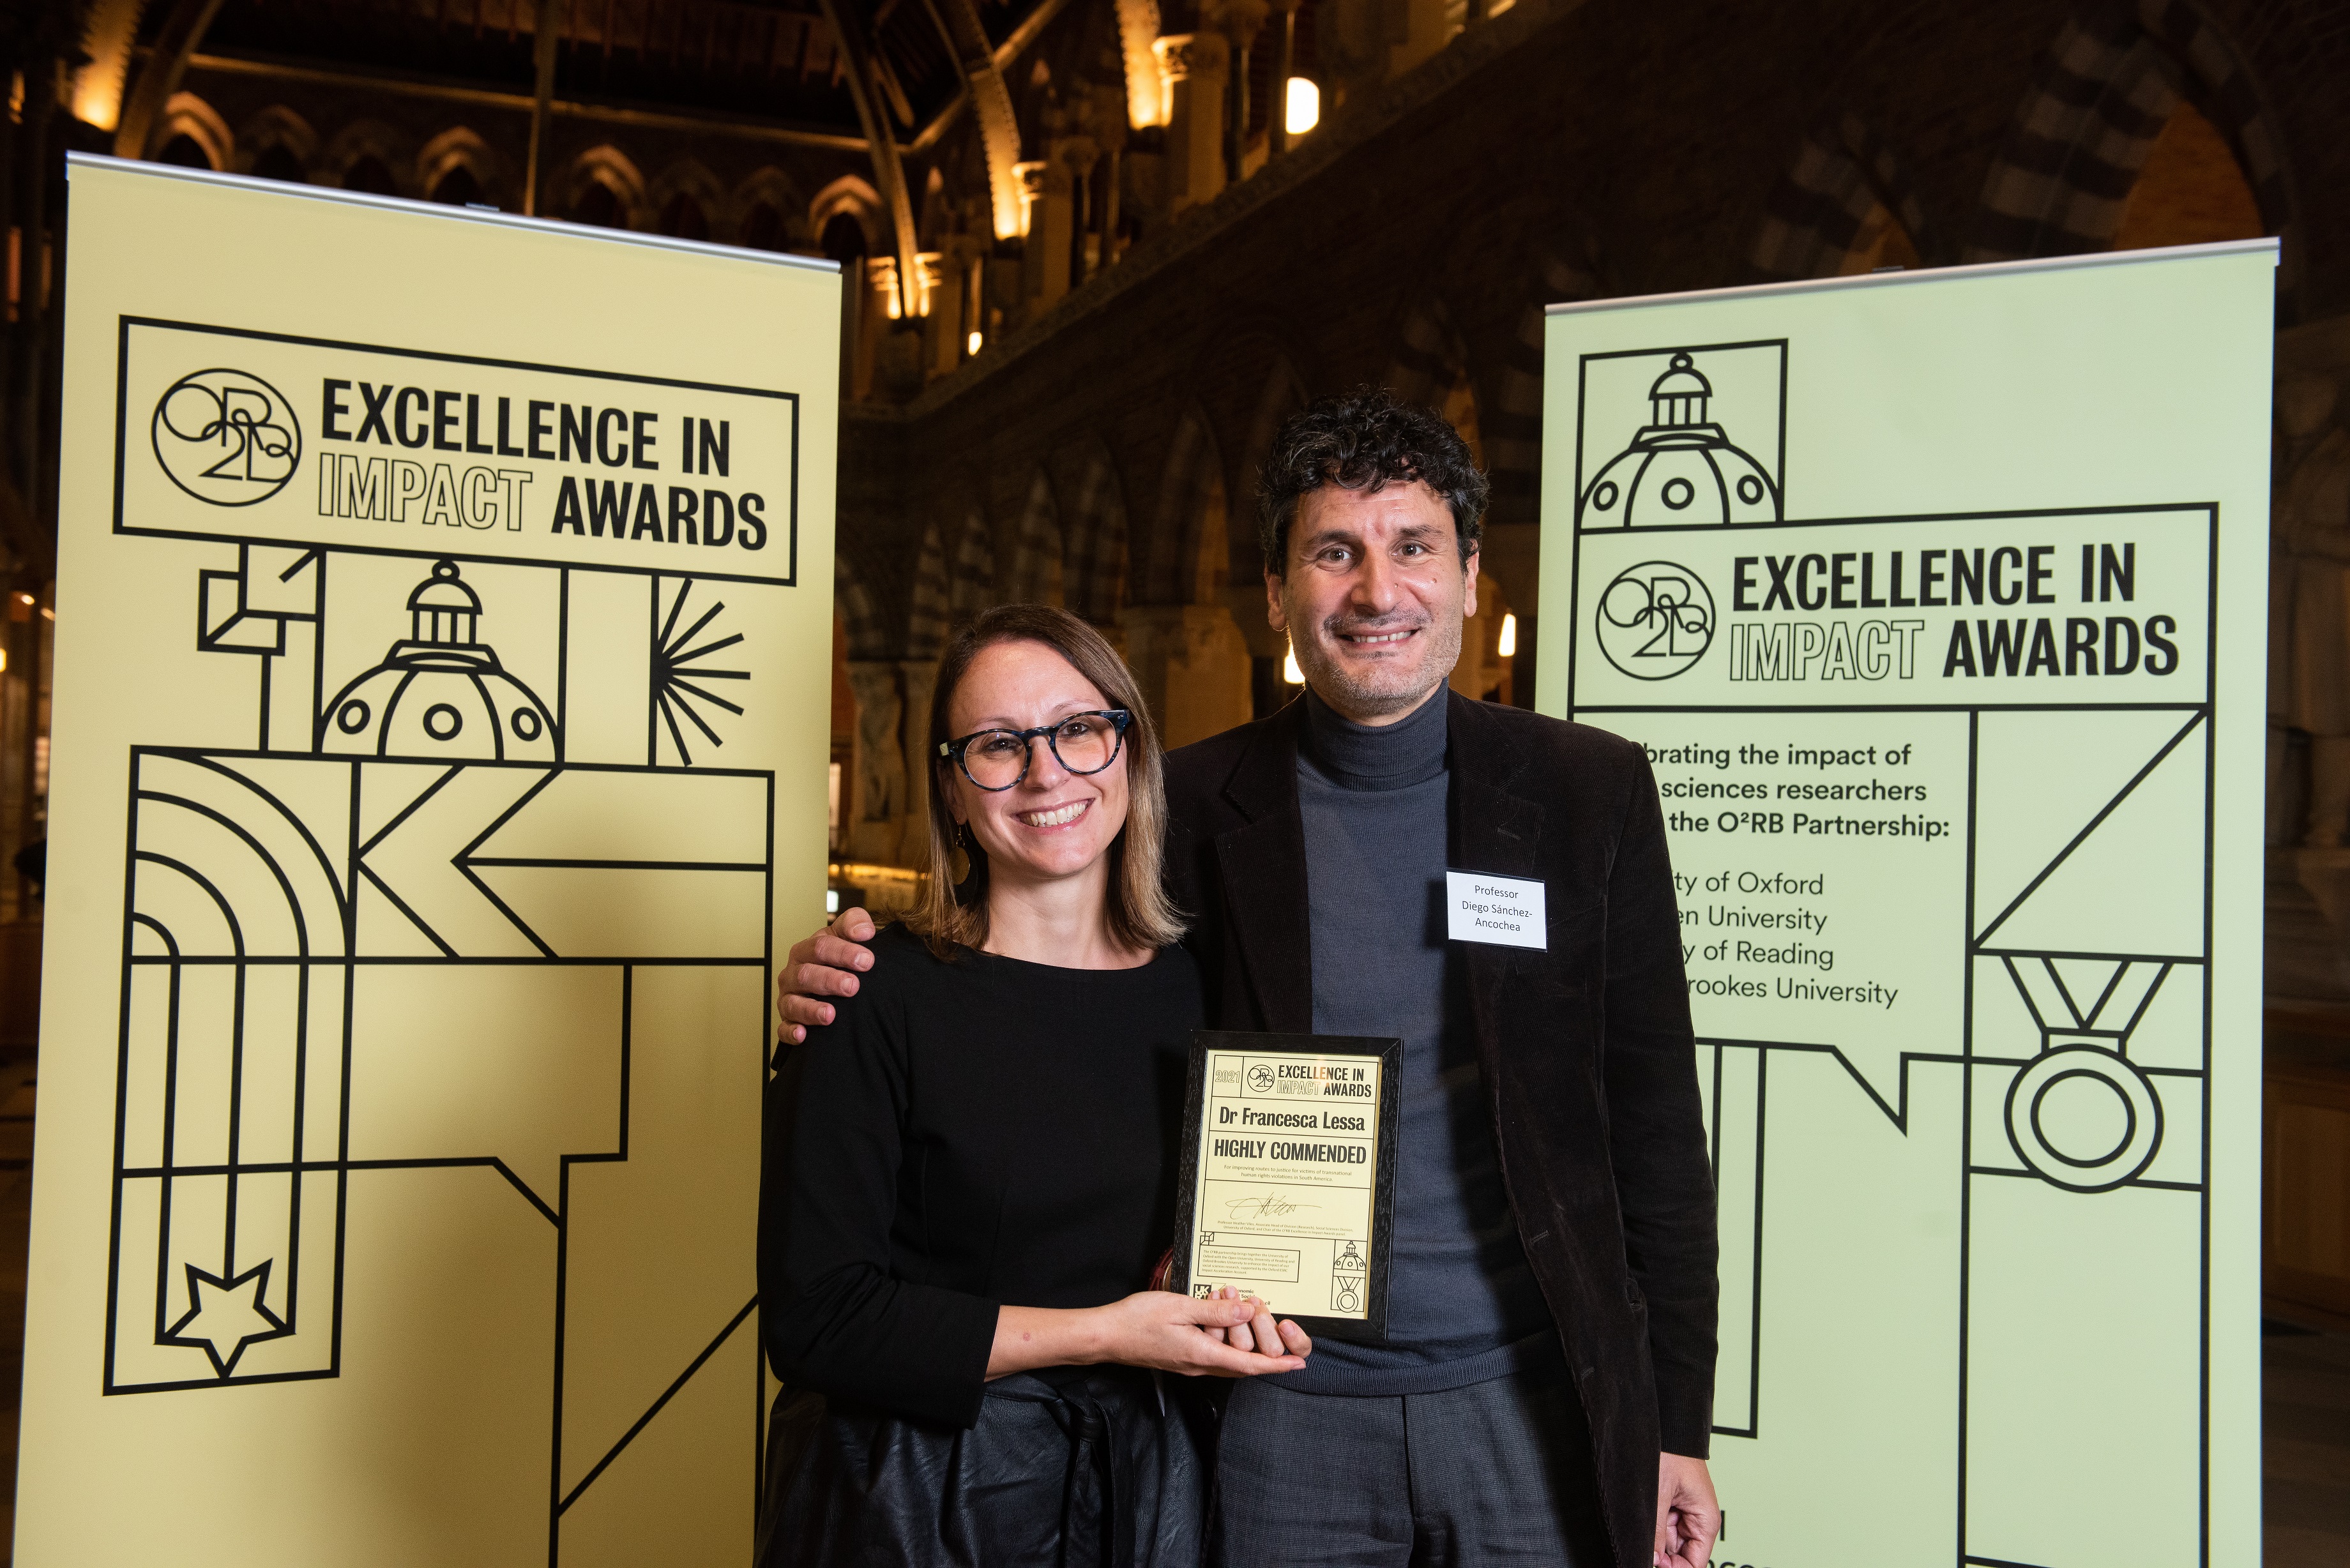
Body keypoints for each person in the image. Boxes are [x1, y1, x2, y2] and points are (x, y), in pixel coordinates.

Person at [780, 391, 1722, 1568]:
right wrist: (850, 969)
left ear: (1474, 577)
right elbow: (1055, 970)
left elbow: (1656, 1130)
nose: (1379, 591)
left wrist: (1676, 1422)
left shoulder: (1591, 795)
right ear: (1278, 595)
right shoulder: (1176, 811)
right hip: (1279, 1407)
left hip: (1530, 1400)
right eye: (1336, 551)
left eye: (1415, 546)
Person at [757, 603, 1312, 1568]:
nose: (1047, 772)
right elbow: (818, 1320)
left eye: (1078, 730)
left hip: (1144, 1501)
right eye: (999, 744)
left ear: (1129, 754)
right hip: (919, 1507)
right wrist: (1110, 1334)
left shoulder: (1206, 990)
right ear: (954, 789)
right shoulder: (872, 993)